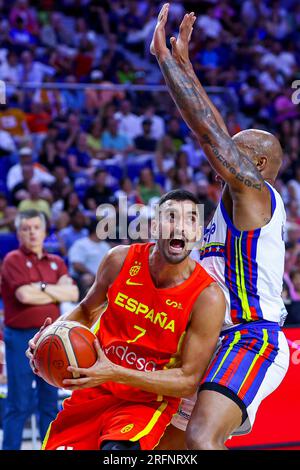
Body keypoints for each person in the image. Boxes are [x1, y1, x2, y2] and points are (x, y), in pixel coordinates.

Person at [151, 5, 289, 449]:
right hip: (210, 340)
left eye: (237, 151)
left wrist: (168, 67)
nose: (222, 159)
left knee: (200, 440)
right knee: (161, 447)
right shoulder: (232, 202)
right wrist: (187, 67)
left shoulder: (256, 195)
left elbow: (211, 136)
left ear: (260, 165)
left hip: (251, 336)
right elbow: (217, 133)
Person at [27, 190, 225, 450]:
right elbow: (87, 311)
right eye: (171, 217)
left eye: (190, 220)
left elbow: (187, 380)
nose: (180, 226)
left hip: (144, 402)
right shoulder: (119, 260)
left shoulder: (207, 297)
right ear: (154, 226)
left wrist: (115, 372)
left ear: (198, 233)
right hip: (94, 389)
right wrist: (51, 335)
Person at [1, 210, 79, 450]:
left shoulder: (56, 261)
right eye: (26, 228)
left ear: (45, 232)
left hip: (51, 337)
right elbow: (23, 295)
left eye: (36, 227)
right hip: (21, 338)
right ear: (18, 233)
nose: (32, 232)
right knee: (19, 403)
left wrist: (40, 287)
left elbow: (73, 293)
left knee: (49, 402)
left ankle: (49, 447)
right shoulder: (13, 259)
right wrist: (54, 288)